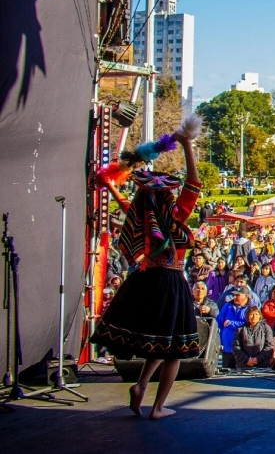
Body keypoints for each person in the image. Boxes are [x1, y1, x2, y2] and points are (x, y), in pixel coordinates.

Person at [91, 115, 203, 419]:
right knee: (175, 349)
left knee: (159, 342)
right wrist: (187, 146)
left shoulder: (141, 216)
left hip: (144, 281)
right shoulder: (177, 216)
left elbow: (127, 208)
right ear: (168, 195)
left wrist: (111, 187)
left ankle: (141, 386)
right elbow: (193, 183)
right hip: (171, 281)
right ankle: (158, 406)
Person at [216, 286, 252, 367]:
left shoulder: (251, 308)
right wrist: (219, 341)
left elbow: (250, 324)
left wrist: (231, 323)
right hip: (227, 348)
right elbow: (219, 323)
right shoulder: (227, 306)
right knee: (226, 373)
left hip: (243, 350)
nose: (235, 297)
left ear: (246, 296)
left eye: (238, 295)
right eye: (234, 295)